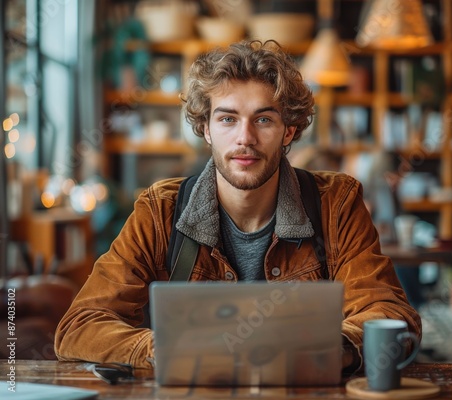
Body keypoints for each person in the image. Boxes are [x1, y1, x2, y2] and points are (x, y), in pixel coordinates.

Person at [55, 40, 421, 373]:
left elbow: (391, 316)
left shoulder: (336, 204)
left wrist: (325, 348)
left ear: (289, 131)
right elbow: (80, 326)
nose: (245, 138)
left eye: (263, 119)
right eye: (228, 119)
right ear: (207, 129)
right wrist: (164, 349)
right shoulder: (159, 211)